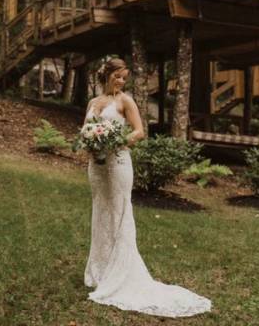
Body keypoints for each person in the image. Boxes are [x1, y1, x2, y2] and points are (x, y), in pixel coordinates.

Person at [83, 57, 212, 318]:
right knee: (101, 212)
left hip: (118, 162)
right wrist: (90, 142)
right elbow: (86, 130)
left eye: (124, 77)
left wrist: (116, 141)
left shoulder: (125, 101)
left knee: (120, 213)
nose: (120, 81)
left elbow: (140, 131)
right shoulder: (93, 103)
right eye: (117, 76)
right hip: (95, 166)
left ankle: (122, 274)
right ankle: (100, 271)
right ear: (106, 75)